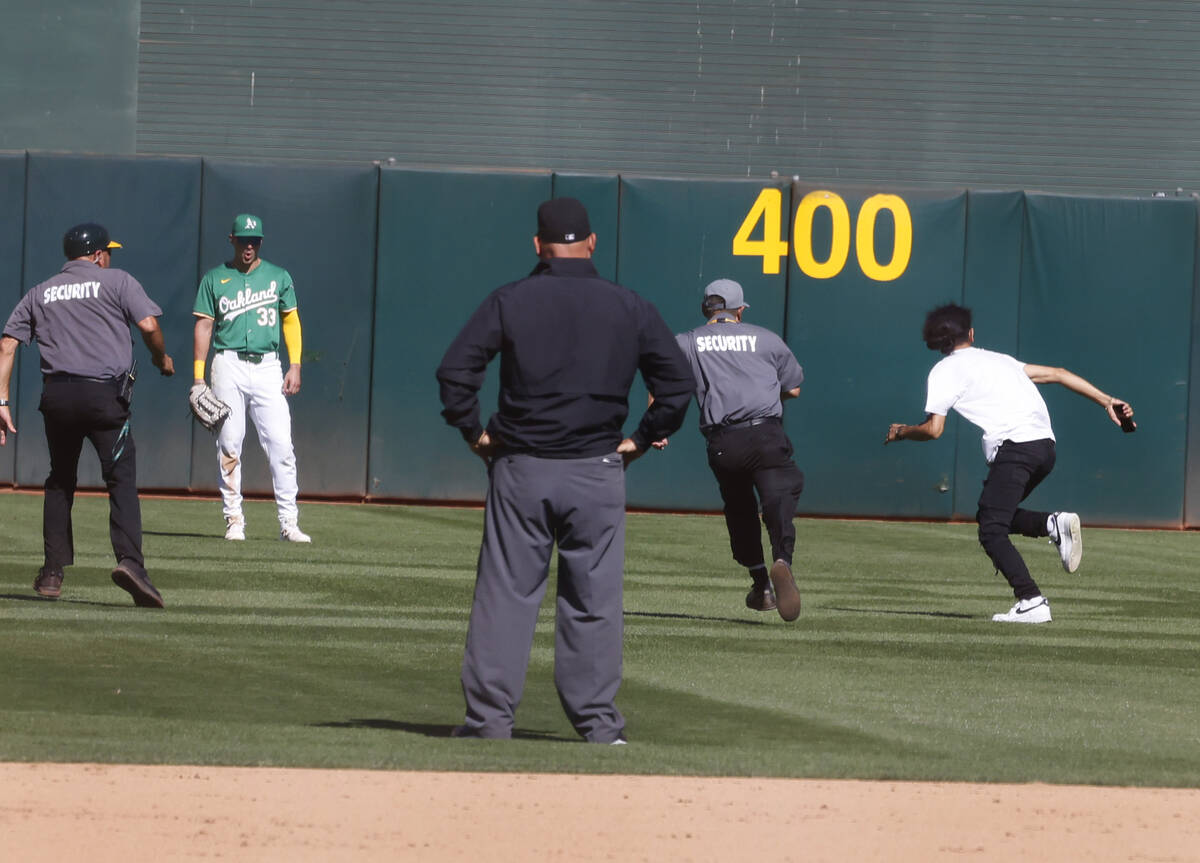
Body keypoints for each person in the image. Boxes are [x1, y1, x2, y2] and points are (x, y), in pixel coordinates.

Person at [436, 196, 694, 743]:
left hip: (522, 468)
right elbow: (677, 385)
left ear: (537, 244)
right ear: (593, 242)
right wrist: (642, 440)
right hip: (597, 471)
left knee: (505, 598)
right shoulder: (630, 305)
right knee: (594, 603)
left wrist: (475, 432)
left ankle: (488, 724)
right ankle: (599, 728)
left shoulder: (511, 299)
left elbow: (455, 372)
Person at [884, 303, 1136, 623]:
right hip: (1044, 448)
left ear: (935, 343)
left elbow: (933, 430)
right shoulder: (1000, 360)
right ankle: (1051, 525)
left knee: (991, 530)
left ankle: (1031, 600)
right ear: (971, 335)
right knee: (993, 517)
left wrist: (903, 432)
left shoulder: (944, 371)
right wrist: (1106, 401)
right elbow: (1058, 374)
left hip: (1015, 449)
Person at [0, 222, 175, 607]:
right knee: (120, 479)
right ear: (97, 255)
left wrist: (1, 402)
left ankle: (51, 573)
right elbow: (148, 325)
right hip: (103, 398)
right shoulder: (117, 281)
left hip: (58, 398)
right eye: (107, 251)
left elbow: (8, 344)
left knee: (60, 480)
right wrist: (160, 357)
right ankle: (131, 564)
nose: (109, 257)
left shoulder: (41, 291)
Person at [653, 279, 805, 621]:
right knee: (779, 494)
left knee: (740, 510)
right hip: (766, 433)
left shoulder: (687, 342)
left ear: (706, 308)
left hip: (724, 442)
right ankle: (783, 558)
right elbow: (793, 388)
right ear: (739, 310)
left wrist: (658, 428)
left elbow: (661, 381)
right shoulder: (766, 338)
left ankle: (761, 583)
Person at [192, 213, 310, 543]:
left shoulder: (278, 276)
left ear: (260, 242)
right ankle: (234, 520)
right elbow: (203, 325)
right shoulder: (215, 278)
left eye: (254, 241)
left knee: (281, 445)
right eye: (243, 240)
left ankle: (289, 522)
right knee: (229, 444)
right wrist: (198, 378)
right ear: (232, 240)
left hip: (268, 366)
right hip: (227, 364)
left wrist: (295, 364)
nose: (248, 246)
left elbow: (291, 321)